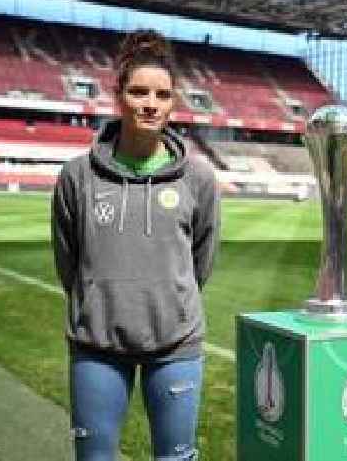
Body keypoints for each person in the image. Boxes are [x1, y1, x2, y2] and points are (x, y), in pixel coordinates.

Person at [51, 29, 220, 461]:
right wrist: (100, 299)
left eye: (162, 94)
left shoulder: (198, 178)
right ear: (118, 96)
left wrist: (169, 300)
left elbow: (201, 260)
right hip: (97, 347)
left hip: (176, 345)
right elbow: (69, 262)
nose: (150, 103)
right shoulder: (77, 176)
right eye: (138, 91)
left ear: (173, 102)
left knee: (176, 458)